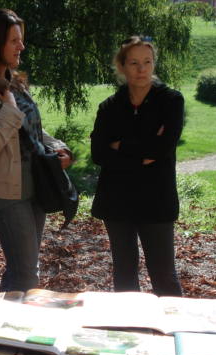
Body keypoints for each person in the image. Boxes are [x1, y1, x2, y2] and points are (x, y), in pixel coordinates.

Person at [0, 8, 73, 292]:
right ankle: (6, 320)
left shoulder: (14, 82)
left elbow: (32, 130)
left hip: (35, 184)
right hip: (7, 193)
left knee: (24, 270)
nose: (21, 46)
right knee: (26, 275)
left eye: (21, 39)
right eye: (14, 40)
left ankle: (4, 319)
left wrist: (58, 147)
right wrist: (8, 113)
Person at [90, 36, 184, 296]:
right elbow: (98, 153)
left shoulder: (171, 101)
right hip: (116, 200)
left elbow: (162, 149)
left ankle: (174, 322)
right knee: (124, 274)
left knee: (163, 274)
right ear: (122, 66)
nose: (142, 69)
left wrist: (120, 146)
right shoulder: (109, 107)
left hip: (156, 199)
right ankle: (128, 322)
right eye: (134, 63)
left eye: (147, 62)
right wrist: (143, 152)